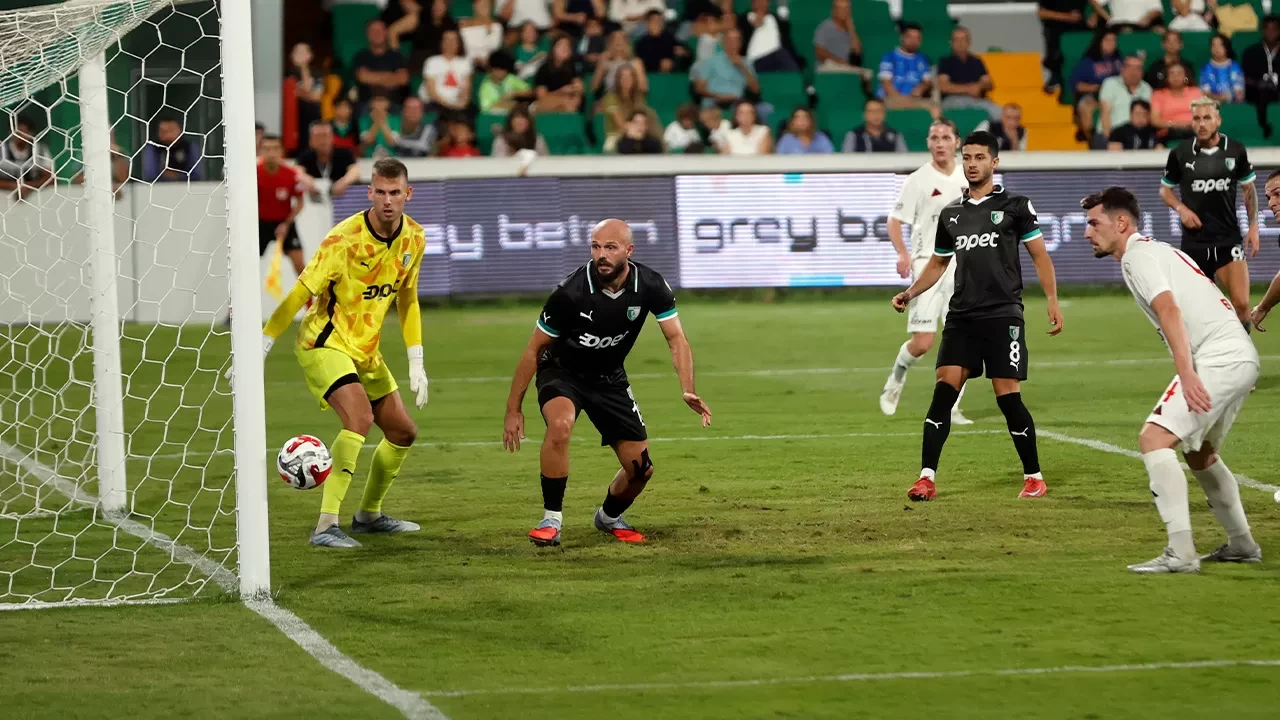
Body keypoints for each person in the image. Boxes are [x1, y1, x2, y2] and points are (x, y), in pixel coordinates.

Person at [1083, 186, 1261, 574]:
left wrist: (1187, 370)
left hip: (1218, 357)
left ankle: (1180, 553)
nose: (1086, 232)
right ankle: (1242, 543)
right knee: (1199, 454)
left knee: (1154, 438)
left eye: (1094, 223)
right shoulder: (1158, 250)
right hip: (1237, 355)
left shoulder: (1138, 257)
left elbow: (1169, 310)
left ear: (1121, 222)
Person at [502, 219, 712, 547]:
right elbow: (533, 350)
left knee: (641, 470)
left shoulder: (652, 285)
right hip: (562, 373)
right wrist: (513, 409)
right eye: (596, 246)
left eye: (610, 247)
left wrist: (687, 387)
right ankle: (551, 520)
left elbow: (677, 340)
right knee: (560, 425)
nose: (601, 254)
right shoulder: (569, 293)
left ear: (629, 251)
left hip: (610, 379)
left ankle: (608, 517)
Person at [254, 158, 428, 549]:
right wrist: (265, 340)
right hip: (323, 342)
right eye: (380, 192)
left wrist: (416, 359)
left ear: (407, 194)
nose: (387, 200)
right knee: (360, 417)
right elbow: (300, 292)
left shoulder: (414, 239)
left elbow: (408, 299)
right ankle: (325, 526)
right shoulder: (343, 240)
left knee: (403, 431)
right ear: (369, 192)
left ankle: (368, 515)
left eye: (395, 193)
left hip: (365, 350)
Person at [891, 131, 1063, 502]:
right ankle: (926, 478)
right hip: (962, 316)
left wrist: (1052, 299)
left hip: (1003, 316)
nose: (972, 164)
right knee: (942, 394)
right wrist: (910, 292)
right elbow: (938, 264)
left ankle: (1034, 477)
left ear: (994, 162)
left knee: (1007, 398)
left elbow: (1040, 256)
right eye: (967, 157)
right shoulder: (951, 213)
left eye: (979, 157)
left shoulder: (1016, 205)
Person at [881, 119, 972, 425]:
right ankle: (895, 381)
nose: (940, 143)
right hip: (927, 263)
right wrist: (903, 253)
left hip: (962, 265)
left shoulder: (969, 176)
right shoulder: (918, 180)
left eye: (945, 137)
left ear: (957, 142)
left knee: (964, 340)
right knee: (923, 343)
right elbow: (894, 221)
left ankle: (952, 406)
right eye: (934, 137)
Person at [1159, 97, 1259, 328]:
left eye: (1206, 118)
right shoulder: (1180, 154)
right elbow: (1165, 191)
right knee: (1197, 311)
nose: (1201, 123)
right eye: (1196, 118)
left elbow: (1248, 189)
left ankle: (1240, 357)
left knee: (1242, 304)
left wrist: (1253, 226)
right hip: (1195, 243)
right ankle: (1203, 360)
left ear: (1218, 120)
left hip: (1228, 239)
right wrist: (1181, 208)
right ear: (1191, 123)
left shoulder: (1235, 150)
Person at [257, 135, 307, 279]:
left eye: (275, 149)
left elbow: (300, 202)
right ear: (260, 151)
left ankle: (311, 302)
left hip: (284, 222)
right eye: (266, 149)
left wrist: (286, 223)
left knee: (300, 266)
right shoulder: (254, 173)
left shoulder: (290, 174)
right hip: (260, 224)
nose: (271, 153)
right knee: (245, 263)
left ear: (281, 151)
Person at [1070, 30, 1123, 145]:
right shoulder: (1088, 62)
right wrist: (1097, 88)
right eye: (1108, 40)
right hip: (1094, 95)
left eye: (1114, 40)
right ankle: (1092, 142)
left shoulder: (1119, 61)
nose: (1111, 43)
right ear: (1099, 42)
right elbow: (1077, 85)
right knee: (1086, 107)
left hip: (1116, 95)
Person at [938, 26, 999, 121]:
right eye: (957, 40)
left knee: (1000, 113)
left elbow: (989, 83)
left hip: (977, 100)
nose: (960, 43)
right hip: (953, 100)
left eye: (963, 39)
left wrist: (979, 86)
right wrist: (968, 89)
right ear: (951, 43)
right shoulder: (945, 62)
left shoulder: (977, 61)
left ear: (969, 42)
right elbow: (943, 86)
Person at [878, 23, 939, 117]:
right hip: (892, 99)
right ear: (902, 38)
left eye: (917, 38)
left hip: (916, 100)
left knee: (935, 108)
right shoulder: (889, 57)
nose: (913, 41)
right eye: (910, 37)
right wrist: (903, 99)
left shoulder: (922, 59)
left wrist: (921, 87)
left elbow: (927, 82)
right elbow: (887, 85)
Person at [352, 19, 410, 106]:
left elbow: (403, 79)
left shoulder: (397, 56)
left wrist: (373, 77)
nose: (377, 34)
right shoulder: (361, 56)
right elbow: (363, 77)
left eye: (380, 30)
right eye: (373, 31)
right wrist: (392, 79)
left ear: (386, 33)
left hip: (395, 104)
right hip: (368, 105)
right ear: (367, 35)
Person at [296, 121, 361, 199]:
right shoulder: (305, 156)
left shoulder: (345, 153)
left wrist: (344, 182)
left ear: (332, 137)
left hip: (340, 201)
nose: (322, 140)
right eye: (318, 136)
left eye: (325, 135)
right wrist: (306, 180)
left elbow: (355, 171)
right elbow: (297, 171)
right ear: (311, 140)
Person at [1097, 55, 1151, 143]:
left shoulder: (1147, 88)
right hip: (1110, 134)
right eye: (1130, 67)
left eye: (1138, 68)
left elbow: (1147, 116)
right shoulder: (1110, 83)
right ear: (1122, 69)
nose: (1134, 71)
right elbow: (1105, 112)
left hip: (1136, 136)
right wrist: (1109, 138)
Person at [421, 30, 473, 116]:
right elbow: (431, 92)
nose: (450, 43)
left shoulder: (465, 63)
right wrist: (449, 105)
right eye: (447, 40)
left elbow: (466, 90)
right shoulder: (432, 61)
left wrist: (462, 104)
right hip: (434, 103)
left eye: (453, 40)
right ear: (441, 43)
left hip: (456, 104)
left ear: (459, 43)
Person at [0, 117, 53, 199]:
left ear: (31, 134)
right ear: (10, 132)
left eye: (24, 132)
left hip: (35, 199)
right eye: (17, 132)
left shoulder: (40, 150)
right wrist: (13, 186)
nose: (19, 136)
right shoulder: (1, 150)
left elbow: (50, 178)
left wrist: (28, 186)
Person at [1150, 62, 1204, 141]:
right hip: (1168, 132)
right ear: (1167, 78)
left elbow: (1203, 115)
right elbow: (1154, 120)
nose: (1176, 76)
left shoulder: (1196, 92)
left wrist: (1188, 124)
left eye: (1179, 73)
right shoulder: (1158, 95)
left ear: (1186, 76)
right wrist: (1174, 124)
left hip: (1192, 129)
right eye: (1172, 73)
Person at [534, 33, 586, 112]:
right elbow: (541, 96)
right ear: (553, 49)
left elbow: (579, 87)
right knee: (565, 103)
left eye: (567, 46)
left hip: (568, 101)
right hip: (548, 101)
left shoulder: (572, 67)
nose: (565, 48)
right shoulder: (544, 69)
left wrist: (575, 89)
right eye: (561, 45)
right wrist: (560, 92)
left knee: (574, 100)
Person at [141, 117, 202, 182]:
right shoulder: (153, 148)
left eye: (170, 130)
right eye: (163, 131)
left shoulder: (190, 147)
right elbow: (150, 174)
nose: (167, 134)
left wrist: (177, 175)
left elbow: (196, 174)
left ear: (180, 130)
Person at [1200, 34, 1245, 105]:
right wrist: (1217, 98)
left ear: (1226, 47)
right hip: (1211, 107)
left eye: (1220, 45)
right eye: (1213, 45)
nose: (1216, 48)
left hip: (1233, 107)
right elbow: (1204, 92)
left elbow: (1239, 93)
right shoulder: (1206, 68)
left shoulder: (1235, 67)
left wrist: (1227, 97)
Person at [459, 0, 504, 70]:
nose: (484, 8)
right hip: (468, 63)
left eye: (487, 5)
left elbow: (495, 47)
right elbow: (465, 46)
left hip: (489, 65)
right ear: (475, 6)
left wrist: (489, 33)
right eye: (481, 5)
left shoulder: (496, 26)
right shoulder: (463, 25)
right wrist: (474, 58)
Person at [358, 94, 401, 158]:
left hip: (391, 157)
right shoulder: (363, 120)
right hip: (369, 157)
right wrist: (377, 122)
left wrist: (382, 121)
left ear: (388, 103)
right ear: (371, 103)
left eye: (382, 100)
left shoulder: (395, 120)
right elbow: (367, 141)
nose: (379, 104)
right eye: (376, 101)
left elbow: (392, 142)